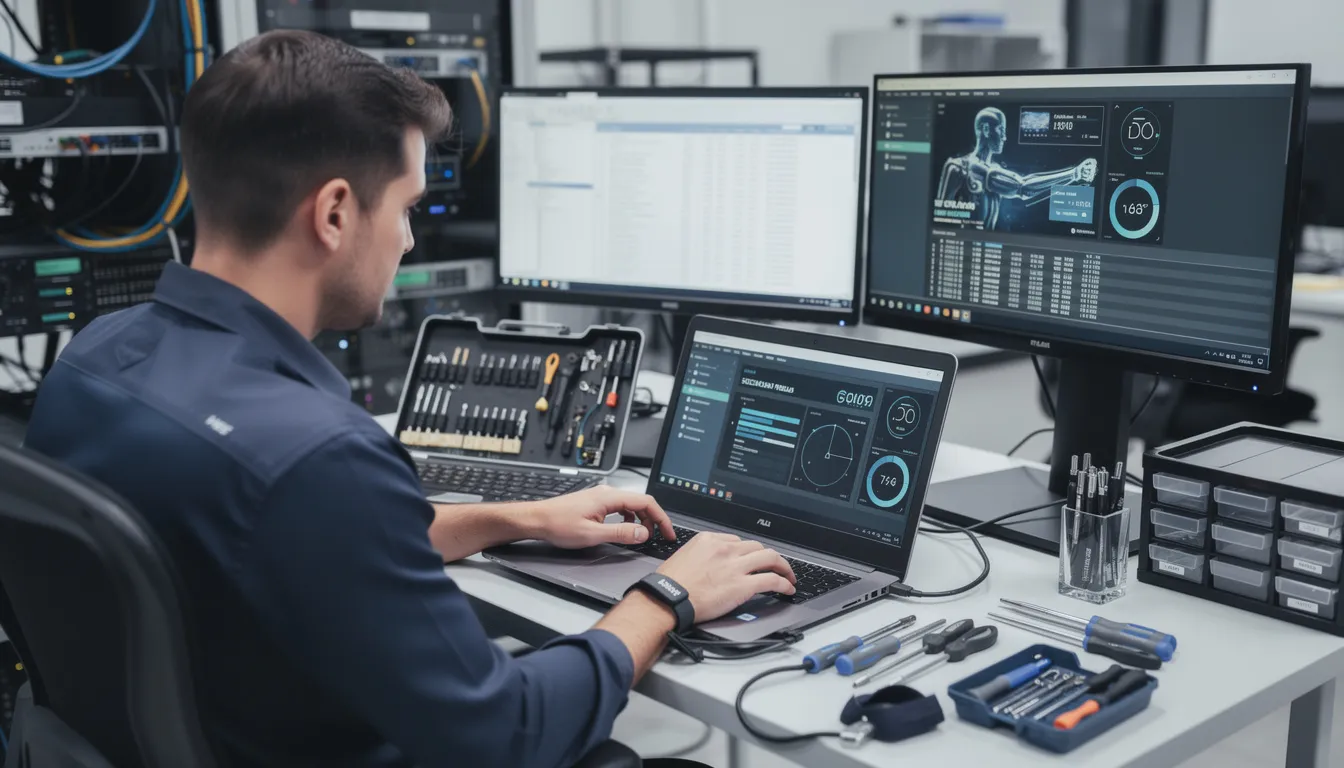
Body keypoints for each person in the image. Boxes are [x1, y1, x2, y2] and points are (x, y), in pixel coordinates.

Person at [23, 29, 794, 768]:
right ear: (333, 214)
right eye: (405, 208)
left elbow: (305, 542)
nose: (409, 240)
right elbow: (508, 736)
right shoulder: (320, 458)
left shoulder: (93, 359)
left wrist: (519, 519)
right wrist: (666, 596)